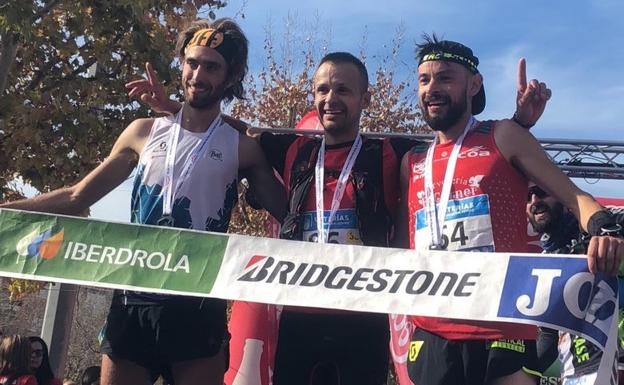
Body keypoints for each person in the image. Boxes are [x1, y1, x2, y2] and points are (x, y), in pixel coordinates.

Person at [134, 46, 551, 384]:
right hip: (300, 313)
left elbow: (458, 152)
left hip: (363, 314)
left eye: (343, 90)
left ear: (365, 98)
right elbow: (239, 130)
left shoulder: (391, 152)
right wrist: (178, 106)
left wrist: (518, 124)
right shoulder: (294, 149)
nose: (330, 99)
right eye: (322, 90)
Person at [1, 18, 285, 385]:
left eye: (211, 67)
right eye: (191, 62)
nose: (197, 74)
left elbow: (286, 212)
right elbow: (77, 197)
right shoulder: (143, 131)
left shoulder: (243, 147)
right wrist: (7, 212)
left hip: (198, 302)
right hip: (133, 298)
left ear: (231, 77)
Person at [396, 34, 624, 385]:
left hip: (499, 323)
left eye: (445, 78)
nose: (432, 89)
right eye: (424, 80)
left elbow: (574, 196)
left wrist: (604, 230)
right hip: (432, 327)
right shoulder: (412, 161)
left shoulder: (502, 135)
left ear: (474, 85)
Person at [527, 184, 624, 385]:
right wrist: (523, 372)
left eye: (542, 192)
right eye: (527, 198)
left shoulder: (607, 224)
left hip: (618, 362)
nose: (535, 201)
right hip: (577, 373)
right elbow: (548, 334)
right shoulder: (545, 259)